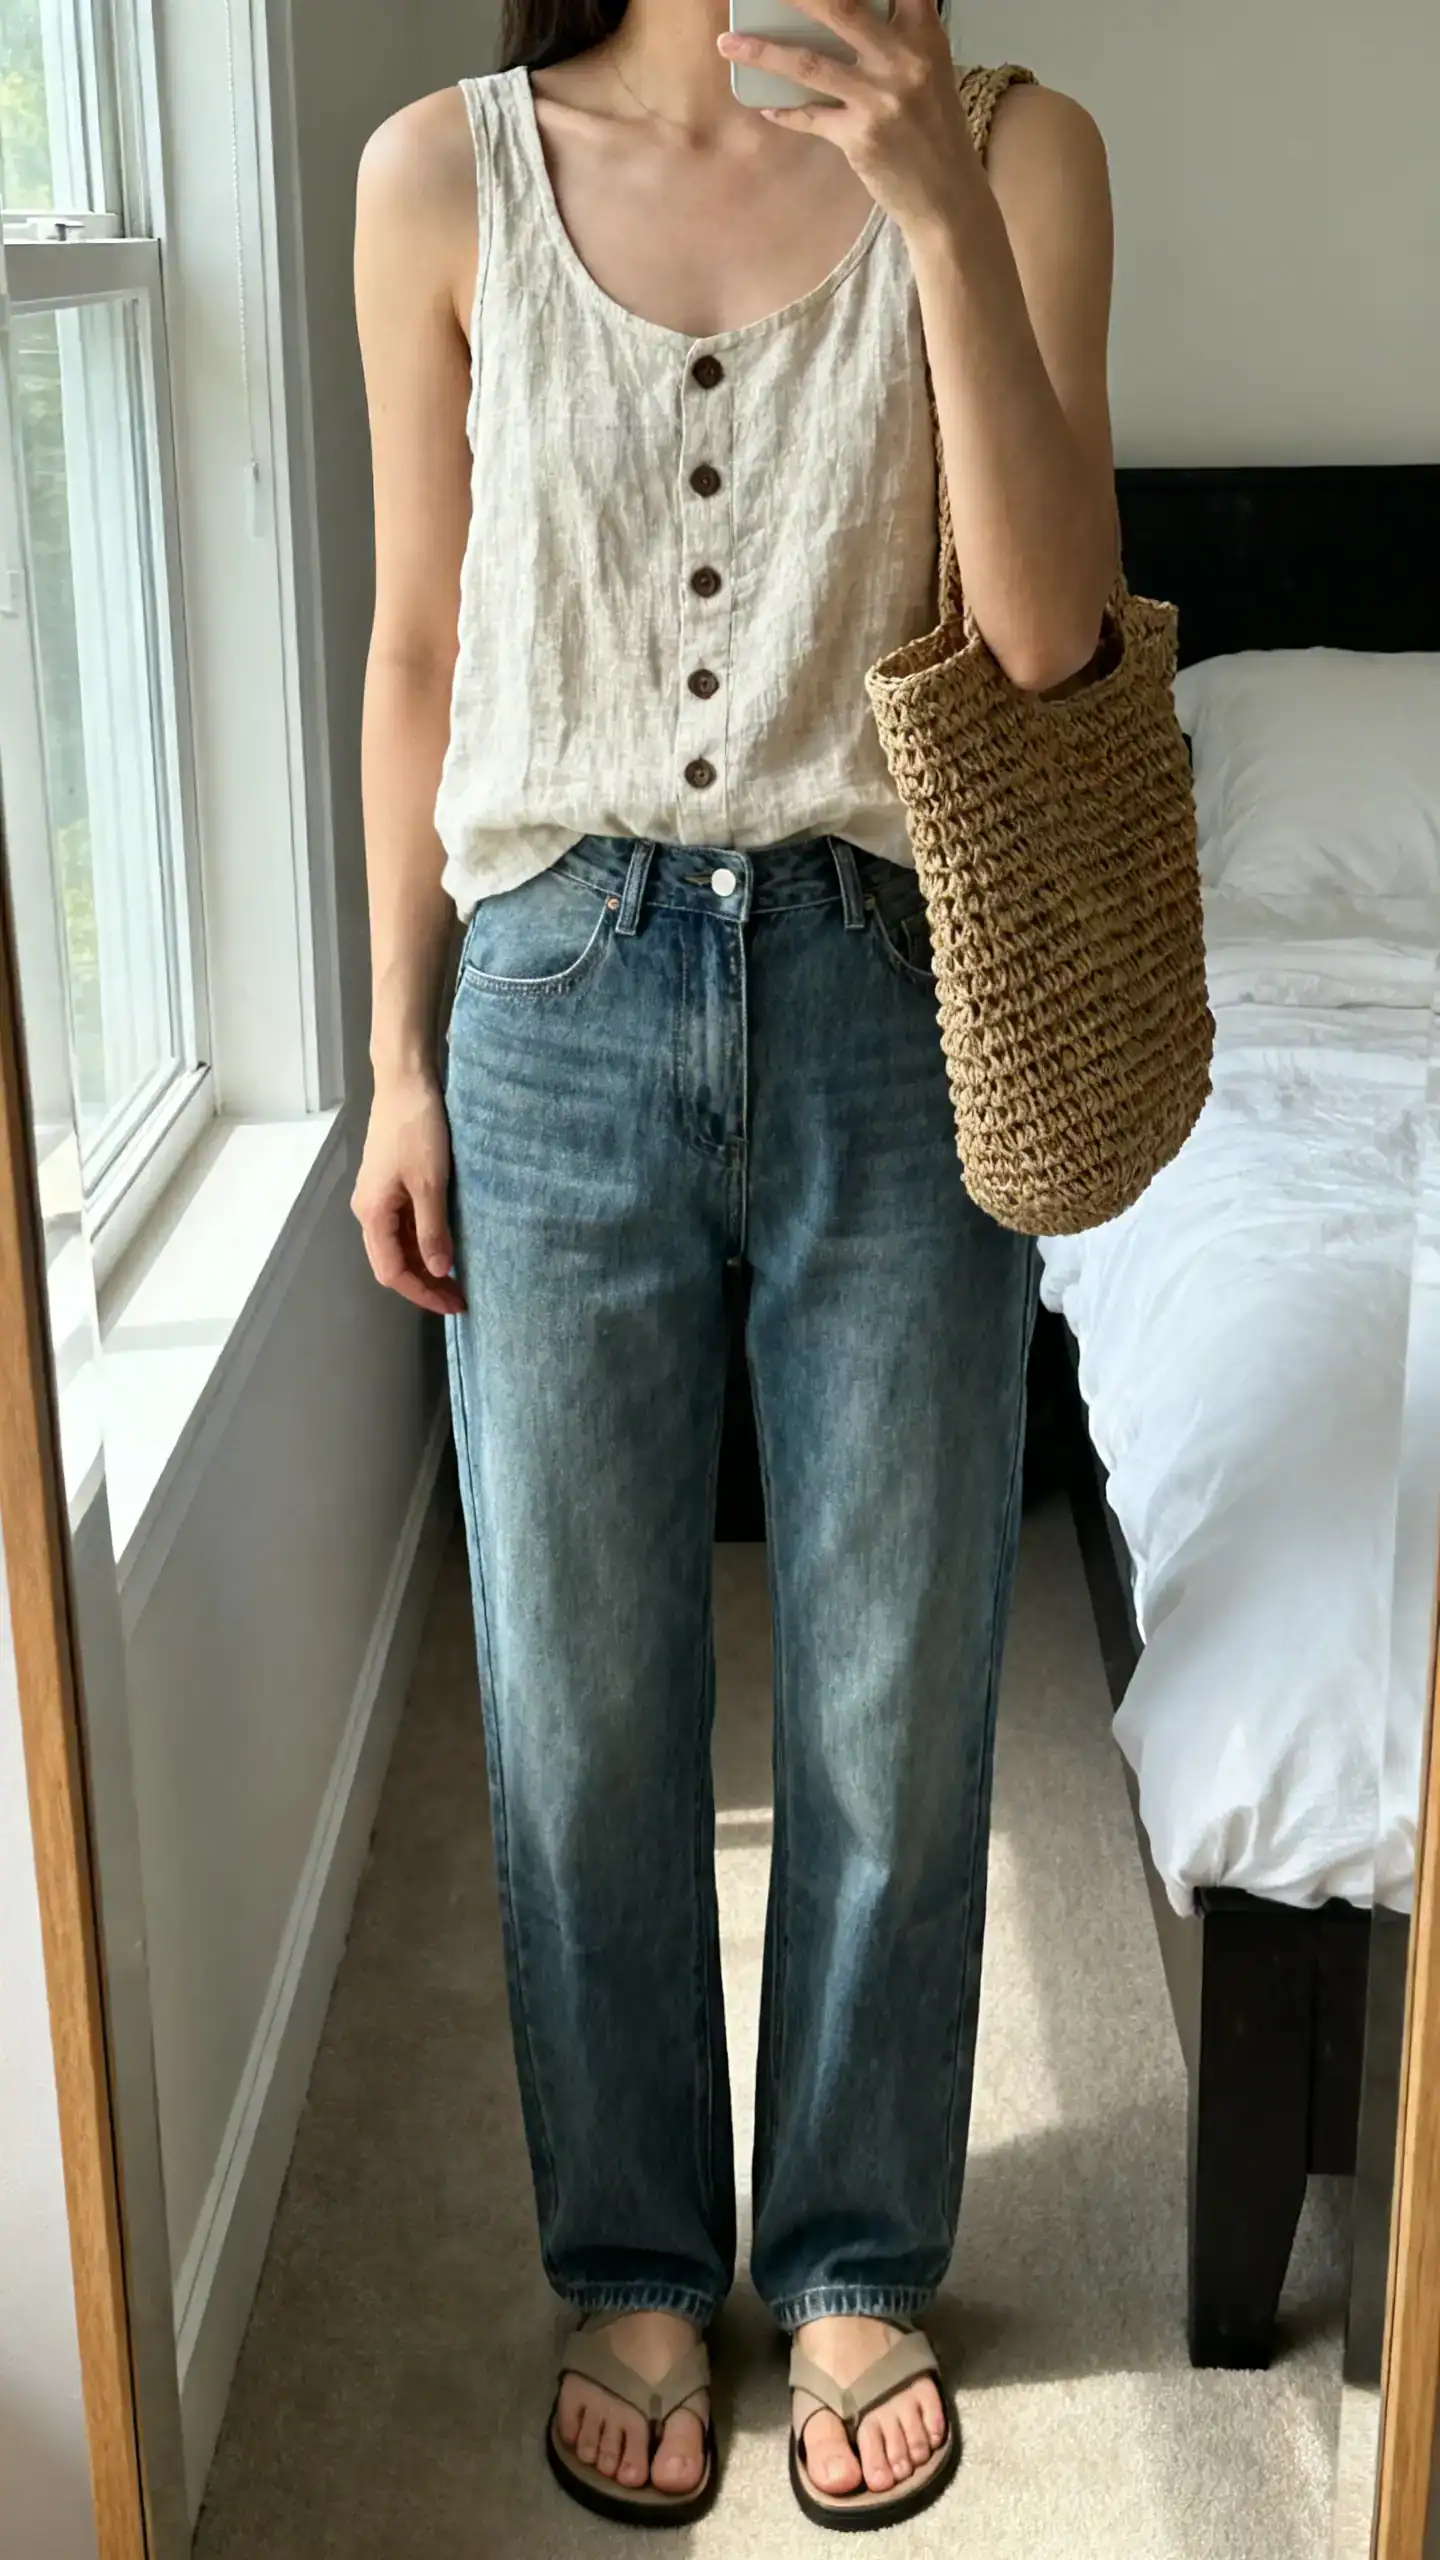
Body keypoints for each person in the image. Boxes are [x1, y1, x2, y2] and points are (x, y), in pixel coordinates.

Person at [351, 0, 1117, 2526]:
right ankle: (636, 2253)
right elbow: (422, 649)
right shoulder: (441, 179)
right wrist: (399, 1051)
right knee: (575, 1691)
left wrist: (927, 207)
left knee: (898, 1684)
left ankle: (866, 2244)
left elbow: (1047, 641)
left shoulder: (1019, 153)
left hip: (899, 986)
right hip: (553, 993)